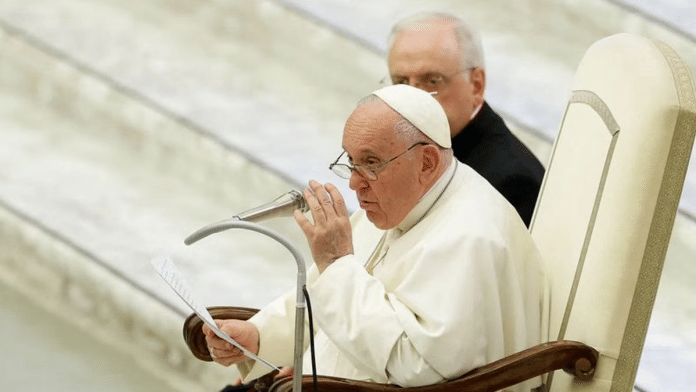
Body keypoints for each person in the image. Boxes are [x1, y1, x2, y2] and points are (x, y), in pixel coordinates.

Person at [203, 85, 546, 392]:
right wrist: (258, 336)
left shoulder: (471, 236)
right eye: (350, 161)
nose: (354, 183)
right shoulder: (406, 200)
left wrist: (337, 262)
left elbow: (417, 365)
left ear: (426, 162)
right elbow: (329, 296)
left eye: (370, 163)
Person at [386, 12, 545, 226]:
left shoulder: (513, 181)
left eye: (433, 81)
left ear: (476, 84)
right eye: (401, 82)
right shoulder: (407, 151)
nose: (414, 97)